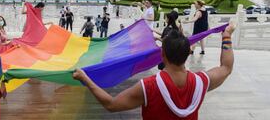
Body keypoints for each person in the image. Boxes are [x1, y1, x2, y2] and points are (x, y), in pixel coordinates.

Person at [73, 24, 235, 120]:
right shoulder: (201, 82)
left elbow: (111, 104)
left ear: (162, 54)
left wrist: (85, 78)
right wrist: (226, 36)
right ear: (187, 54)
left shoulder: (149, 87)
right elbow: (226, 68)